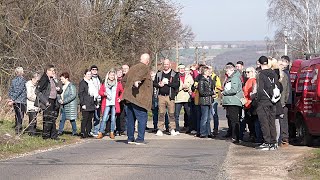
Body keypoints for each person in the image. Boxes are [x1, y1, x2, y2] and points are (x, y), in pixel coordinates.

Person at [122, 53, 152, 145]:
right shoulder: (144, 67)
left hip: (129, 98)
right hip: (139, 99)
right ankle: (140, 139)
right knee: (142, 118)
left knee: (131, 119)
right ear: (147, 61)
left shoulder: (132, 68)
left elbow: (124, 80)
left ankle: (130, 138)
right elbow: (139, 76)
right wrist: (136, 82)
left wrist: (127, 90)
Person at [255, 56, 279, 150]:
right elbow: (278, 86)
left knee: (264, 122)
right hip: (273, 100)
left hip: (263, 101)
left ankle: (267, 142)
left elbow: (260, 89)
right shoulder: (274, 73)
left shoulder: (261, 74)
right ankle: (274, 142)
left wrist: (257, 100)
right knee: (271, 122)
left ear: (260, 63)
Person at [153, 59, 180, 136]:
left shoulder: (175, 74)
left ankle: (172, 129)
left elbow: (177, 85)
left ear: (170, 65)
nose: (166, 66)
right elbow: (154, 83)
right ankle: (160, 129)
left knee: (171, 114)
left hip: (170, 96)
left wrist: (168, 83)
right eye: (164, 64)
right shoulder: (159, 74)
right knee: (161, 113)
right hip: (161, 96)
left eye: (167, 64)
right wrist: (159, 84)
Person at [35, 65, 61, 140]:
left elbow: (60, 90)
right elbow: (37, 91)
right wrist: (45, 101)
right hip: (47, 101)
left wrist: (58, 88)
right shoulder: (44, 79)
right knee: (47, 118)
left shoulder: (53, 79)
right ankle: (45, 136)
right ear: (47, 71)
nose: (53, 72)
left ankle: (53, 135)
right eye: (52, 71)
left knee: (53, 118)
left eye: (54, 71)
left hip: (54, 100)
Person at [97, 69, 123, 139]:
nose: (112, 76)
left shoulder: (118, 83)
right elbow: (100, 92)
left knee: (113, 118)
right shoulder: (104, 83)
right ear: (108, 75)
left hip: (114, 103)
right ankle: (100, 132)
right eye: (111, 75)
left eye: (113, 75)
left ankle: (112, 132)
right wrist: (104, 93)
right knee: (104, 118)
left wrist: (120, 98)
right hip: (107, 103)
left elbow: (122, 91)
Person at [222, 64, 244, 143]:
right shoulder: (231, 78)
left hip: (233, 102)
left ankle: (236, 137)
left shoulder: (234, 78)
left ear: (231, 70)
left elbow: (234, 90)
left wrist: (224, 92)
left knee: (234, 120)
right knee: (232, 120)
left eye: (227, 71)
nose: (226, 73)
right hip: (230, 101)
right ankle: (234, 136)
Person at [174, 64, 193, 134]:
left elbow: (192, 85)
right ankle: (177, 129)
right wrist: (181, 87)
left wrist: (188, 88)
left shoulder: (189, 77)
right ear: (178, 69)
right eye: (180, 68)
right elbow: (174, 86)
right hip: (178, 98)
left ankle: (189, 128)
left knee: (189, 114)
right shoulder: (175, 76)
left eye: (183, 68)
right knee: (176, 114)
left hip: (187, 98)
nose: (182, 70)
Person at [79, 69, 97, 138]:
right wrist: (82, 103)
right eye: (88, 74)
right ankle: (83, 132)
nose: (89, 76)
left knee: (90, 119)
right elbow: (80, 94)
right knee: (85, 119)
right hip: (85, 104)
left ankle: (88, 132)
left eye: (90, 74)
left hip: (91, 103)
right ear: (85, 75)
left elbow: (94, 94)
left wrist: (95, 102)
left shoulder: (91, 82)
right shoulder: (82, 83)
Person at [9, 67, 27, 135]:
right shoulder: (23, 80)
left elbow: (10, 90)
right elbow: (19, 91)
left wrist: (11, 98)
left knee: (17, 115)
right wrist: (13, 99)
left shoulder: (13, 80)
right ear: (21, 72)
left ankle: (17, 128)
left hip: (15, 101)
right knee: (20, 116)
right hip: (21, 101)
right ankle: (18, 130)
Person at [198, 66, 215, 138]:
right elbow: (201, 92)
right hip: (204, 101)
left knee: (208, 118)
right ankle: (203, 132)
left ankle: (208, 132)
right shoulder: (201, 81)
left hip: (209, 101)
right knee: (204, 118)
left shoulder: (209, 80)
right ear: (204, 72)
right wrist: (211, 93)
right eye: (208, 71)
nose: (209, 72)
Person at [243, 67, 258, 142]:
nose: (247, 74)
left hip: (250, 103)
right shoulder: (247, 80)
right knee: (249, 121)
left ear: (252, 72)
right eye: (246, 72)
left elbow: (253, 93)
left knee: (252, 120)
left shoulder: (254, 81)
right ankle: (252, 134)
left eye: (248, 72)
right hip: (246, 102)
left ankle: (254, 135)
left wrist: (249, 100)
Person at [209, 66, 222, 135]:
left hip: (214, 97)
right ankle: (208, 129)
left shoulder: (215, 77)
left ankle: (215, 129)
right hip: (207, 97)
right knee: (207, 114)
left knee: (214, 114)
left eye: (210, 69)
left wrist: (215, 90)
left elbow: (219, 86)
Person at [90, 65, 102, 137]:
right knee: (90, 116)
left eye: (96, 69)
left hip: (99, 99)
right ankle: (90, 130)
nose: (94, 70)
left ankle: (96, 130)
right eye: (93, 69)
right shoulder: (89, 78)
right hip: (91, 99)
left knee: (97, 116)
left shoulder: (99, 78)